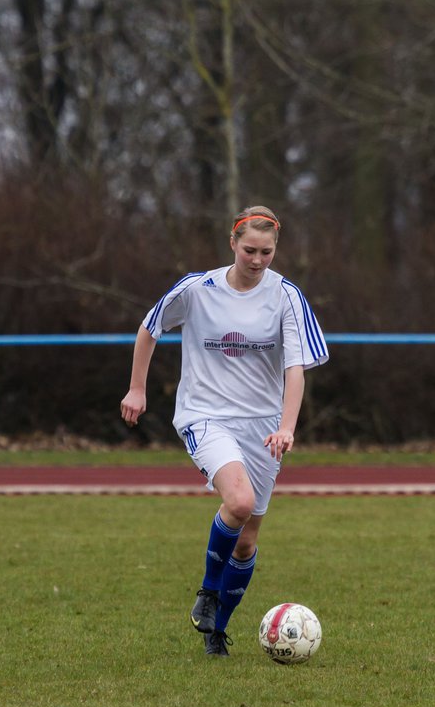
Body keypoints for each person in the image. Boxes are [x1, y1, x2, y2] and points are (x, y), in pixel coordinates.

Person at [119, 206, 328, 655]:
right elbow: (148, 329)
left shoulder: (287, 296)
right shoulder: (197, 289)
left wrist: (286, 427)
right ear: (232, 243)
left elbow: (297, 368)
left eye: (266, 252)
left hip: (264, 427)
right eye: (249, 249)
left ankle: (217, 632)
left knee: (248, 538)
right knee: (239, 500)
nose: (257, 260)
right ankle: (208, 592)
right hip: (206, 415)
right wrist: (137, 389)